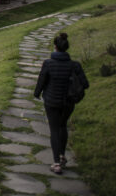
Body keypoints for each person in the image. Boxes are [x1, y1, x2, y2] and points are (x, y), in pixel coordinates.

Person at [33, 32, 89, 174]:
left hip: (52, 101)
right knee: (63, 126)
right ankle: (63, 155)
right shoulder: (75, 65)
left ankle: (56, 163)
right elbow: (85, 84)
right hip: (68, 102)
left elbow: (42, 80)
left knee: (54, 129)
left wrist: (37, 93)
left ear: (55, 47)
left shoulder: (48, 64)